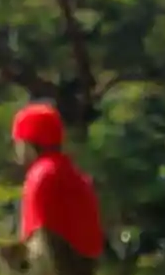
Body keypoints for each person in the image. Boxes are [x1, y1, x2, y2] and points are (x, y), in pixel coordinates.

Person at [10, 103, 103, 262]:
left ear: (28, 142)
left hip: (54, 271)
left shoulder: (41, 175)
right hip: (84, 271)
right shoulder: (75, 174)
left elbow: (38, 240)